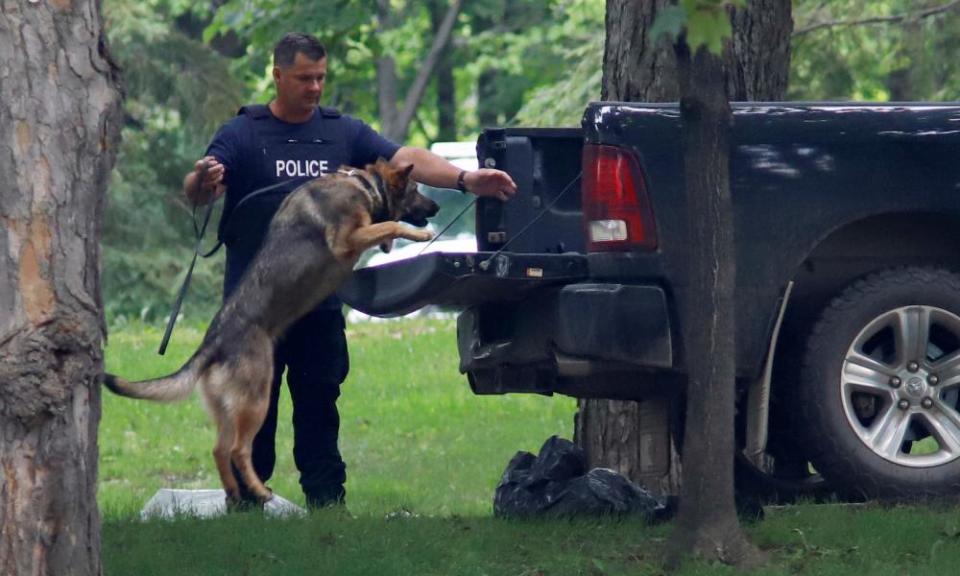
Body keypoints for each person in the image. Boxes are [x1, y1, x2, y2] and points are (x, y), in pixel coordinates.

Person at [183, 32, 517, 509]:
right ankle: (247, 505)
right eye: (303, 78)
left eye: (320, 77)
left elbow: (407, 160)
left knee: (320, 401)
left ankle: (326, 503)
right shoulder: (244, 133)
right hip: (255, 308)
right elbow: (199, 189)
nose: (314, 87)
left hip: (319, 303)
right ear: (278, 76)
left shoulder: (343, 132)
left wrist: (466, 180)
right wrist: (202, 181)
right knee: (258, 408)